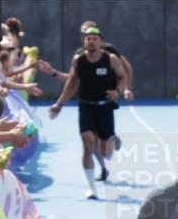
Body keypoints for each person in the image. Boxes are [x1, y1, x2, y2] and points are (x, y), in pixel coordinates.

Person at [48, 26, 129, 200]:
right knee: (87, 144)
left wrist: (118, 91)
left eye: (94, 38)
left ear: (101, 42)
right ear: (84, 42)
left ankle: (112, 139)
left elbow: (122, 77)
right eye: (88, 38)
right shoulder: (79, 60)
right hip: (86, 107)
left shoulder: (111, 59)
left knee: (106, 152)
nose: (91, 41)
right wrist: (59, 104)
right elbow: (71, 83)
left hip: (105, 107)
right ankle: (92, 188)